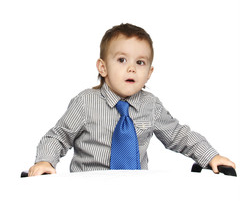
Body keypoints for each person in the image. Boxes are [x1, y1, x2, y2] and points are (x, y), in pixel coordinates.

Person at [28, 23, 235, 176]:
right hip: (88, 191)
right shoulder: (85, 103)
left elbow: (179, 135)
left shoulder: (150, 105)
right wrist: (45, 161)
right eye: (121, 59)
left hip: (136, 192)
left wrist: (210, 156)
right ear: (103, 67)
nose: (132, 68)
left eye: (140, 62)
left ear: (149, 73)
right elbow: (58, 137)